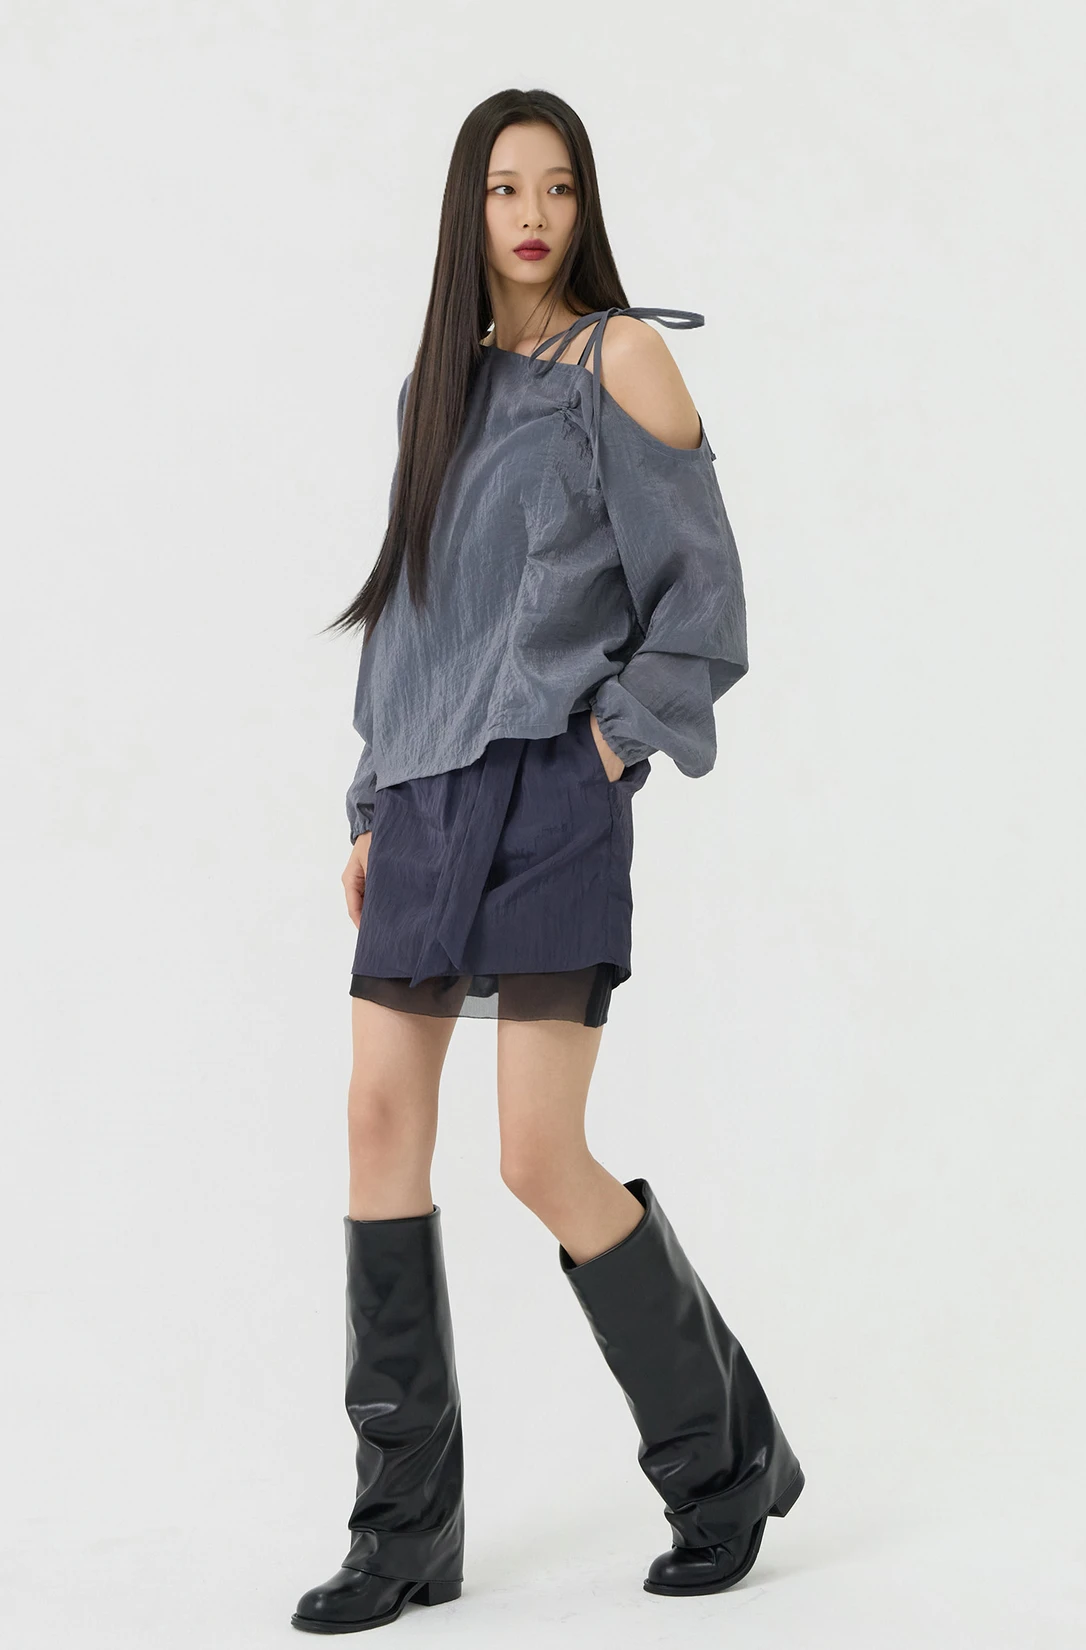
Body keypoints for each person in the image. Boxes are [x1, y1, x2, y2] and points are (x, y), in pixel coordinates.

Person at [290, 87, 804, 1636]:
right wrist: (372, 801)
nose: (532, 214)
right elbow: (411, 620)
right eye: (506, 187)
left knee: (536, 1154)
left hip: (553, 794)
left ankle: (722, 1462)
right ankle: (403, 1531)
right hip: (425, 798)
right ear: (471, 208)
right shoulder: (434, 389)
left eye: (558, 187)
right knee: (378, 1125)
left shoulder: (620, 359)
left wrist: (613, 742)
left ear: (584, 206)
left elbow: (703, 601)